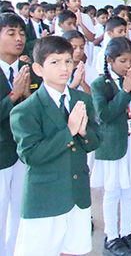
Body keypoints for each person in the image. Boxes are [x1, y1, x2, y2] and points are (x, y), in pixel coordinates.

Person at [10, 36, 102, 256]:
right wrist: (69, 131)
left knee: (73, 250)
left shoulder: (82, 100)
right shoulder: (26, 110)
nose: (64, 68)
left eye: (68, 61)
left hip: (77, 194)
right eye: (55, 62)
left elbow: (95, 141)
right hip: (45, 198)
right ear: (38, 69)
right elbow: (31, 155)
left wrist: (83, 133)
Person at [90, 37, 131, 256]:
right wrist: (125, 92)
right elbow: (105, 115)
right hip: (113, 145)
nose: (128, 65)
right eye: (123, 61)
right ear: (109, 61)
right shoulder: (100, 85)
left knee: (130, 189)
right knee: (112, 191)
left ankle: (127, 232)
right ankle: (111, 235)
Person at [0, 14, 42, 256]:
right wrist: (14, 96)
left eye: (22, 33)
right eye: (11, 33)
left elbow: (35, 113)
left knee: (20, 211)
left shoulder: (28, 71)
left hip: (23, 154)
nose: (19, 39)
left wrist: (25, 98)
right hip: (1, 154)